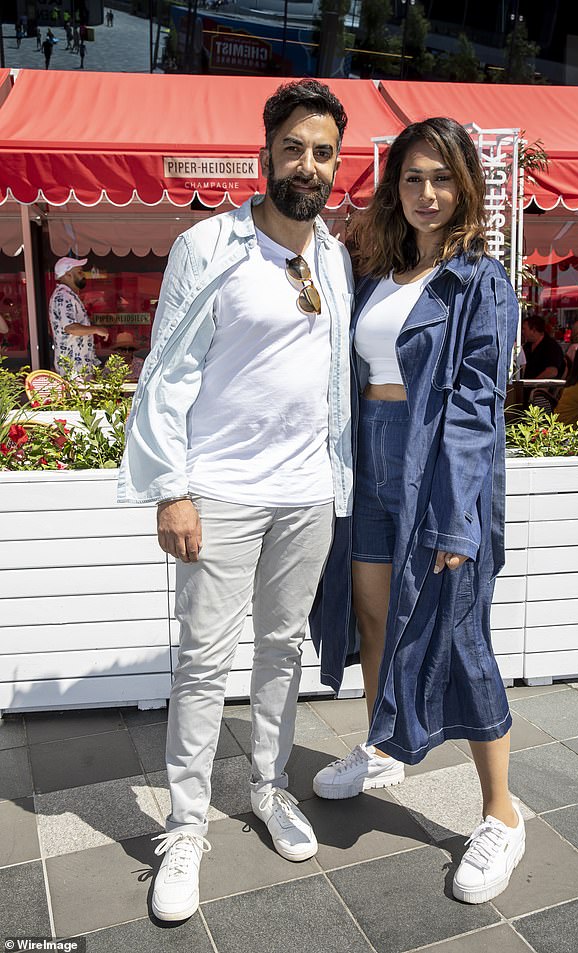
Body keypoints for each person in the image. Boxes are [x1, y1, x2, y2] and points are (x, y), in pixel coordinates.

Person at [117, 79, 353, 922]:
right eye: (293, 147)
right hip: (218, 489)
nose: (307, 164)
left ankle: (265, 785)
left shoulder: (333, 255)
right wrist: (171, 489)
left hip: (306, 492)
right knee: (206, 660)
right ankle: (183, 826)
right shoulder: (208, 245)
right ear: (267, 154)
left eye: (322, 151)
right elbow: (166, 374)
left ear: (336, 164)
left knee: (283, 650)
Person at [311, 118, 524, 905]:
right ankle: (382, 746)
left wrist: (457, 514)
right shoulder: (378, 270)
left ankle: (501, 811)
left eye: (440, 178)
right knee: (371, 614)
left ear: (463, 184)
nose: (426, 193)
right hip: (368, 455)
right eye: (411, 178)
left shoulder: (479, 282)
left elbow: (474, 408)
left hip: (436, 463)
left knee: (457, 633)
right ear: (394, 186)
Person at [49, 257, 108, 374]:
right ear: (68, 275)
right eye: (79, 272)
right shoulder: (63, 296)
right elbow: (71, 328)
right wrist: (96, 329)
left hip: (78, 366)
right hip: (73, 368)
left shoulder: (68, 296)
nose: (83, 275)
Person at [522, 314, 565, 379]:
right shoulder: (527, 347)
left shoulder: (551, 347)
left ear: (533, 330)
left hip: (542, 387)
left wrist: (534, 383)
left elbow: (552, 371)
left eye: (524, 329)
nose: (522, 332)